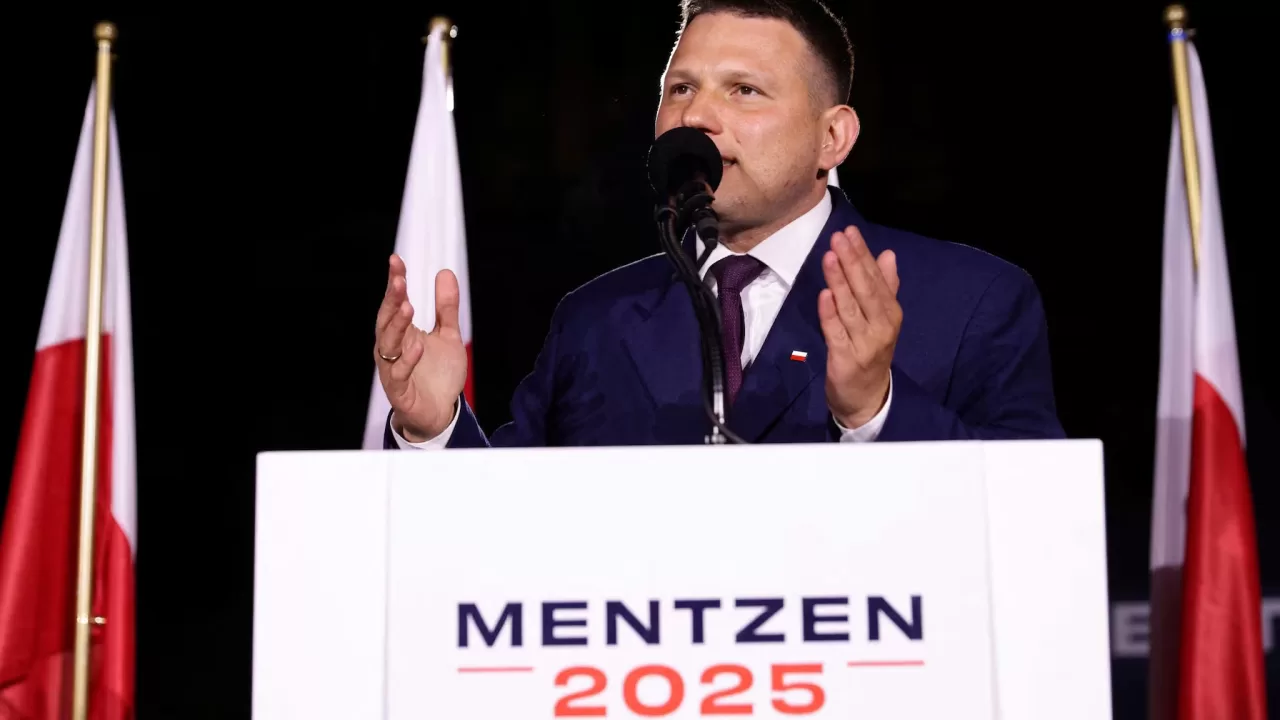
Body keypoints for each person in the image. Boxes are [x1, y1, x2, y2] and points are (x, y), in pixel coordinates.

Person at [373, 0, 1065, 448]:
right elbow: (505, 524)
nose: (696, 117)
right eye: (681, 89)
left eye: (744, 90)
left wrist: (875, 409)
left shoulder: (973, 299)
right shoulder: (595, 320)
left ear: (833, 138)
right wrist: (435, 430)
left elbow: (1030, 520)